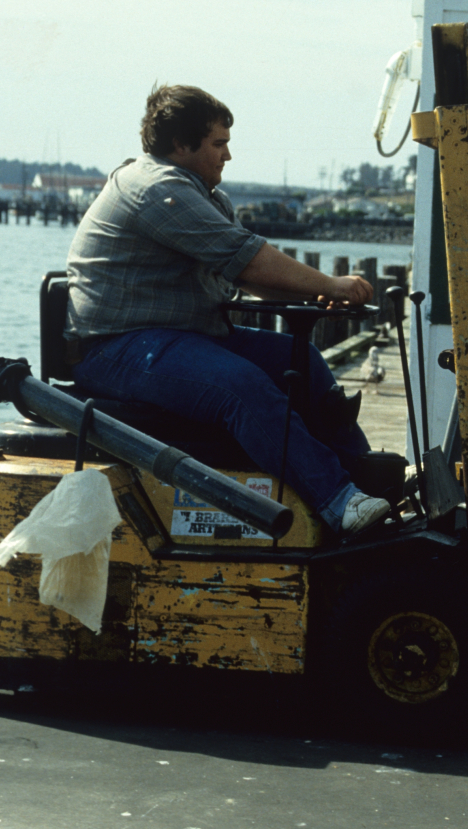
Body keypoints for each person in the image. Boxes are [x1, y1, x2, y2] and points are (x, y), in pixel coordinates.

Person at [64, 84, 390, 536]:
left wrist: (316, 293)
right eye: (219, 144)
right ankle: (339, 502)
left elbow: (246, 275)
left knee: (306, 363)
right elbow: (251, 257)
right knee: (241, 388)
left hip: (180, 335)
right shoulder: (157, 190)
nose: (227, 156)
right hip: (117, 348)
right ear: (182, 144)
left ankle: (369, 482)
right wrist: (333, 283)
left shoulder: (202, 194)